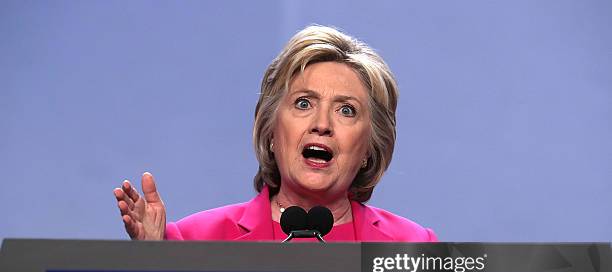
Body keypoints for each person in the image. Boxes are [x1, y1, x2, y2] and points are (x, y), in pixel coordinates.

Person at [113, 25, 437, 242]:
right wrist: (152, 264)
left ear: (369, 146)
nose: (321, 123)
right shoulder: (195, 240)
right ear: (270, 129)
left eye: (346, 110)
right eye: (303, 103)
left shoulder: (413, 248)